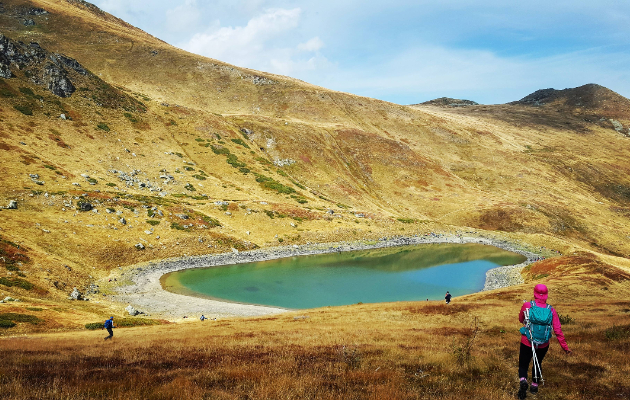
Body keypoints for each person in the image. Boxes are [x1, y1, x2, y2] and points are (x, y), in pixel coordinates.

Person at [518, 284, 571, 399]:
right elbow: (557, 330)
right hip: (543, 344)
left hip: (527, 341)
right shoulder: (551, 310)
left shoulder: (527, 305)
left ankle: (523, 381)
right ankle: (534, 386)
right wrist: (565, 347)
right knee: (538, 363)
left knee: (523, 364)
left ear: (534, 293)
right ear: (546, 295)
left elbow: (521, 319)